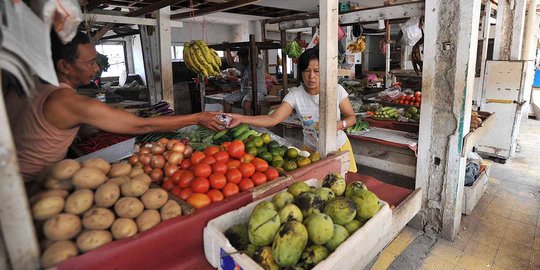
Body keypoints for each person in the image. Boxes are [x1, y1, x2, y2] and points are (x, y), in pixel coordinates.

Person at [6, 31, 224, 183]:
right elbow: (142, 126)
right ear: (64, 66)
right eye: (90, 62)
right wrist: (197, 117)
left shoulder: (25, 83)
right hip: (32, 186)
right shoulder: (67, 101)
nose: (96, 69)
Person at [228, 47, 358, 172]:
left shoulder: (336, 90)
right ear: (301, 72)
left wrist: (339, 124)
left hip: (338, 147)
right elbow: (273, 119)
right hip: (310, 151)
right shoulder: (295, 95)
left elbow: (351, 117)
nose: (311, 76)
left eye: (317, 71)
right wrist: (241, 118)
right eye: (307, 71)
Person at [222, 47, 267, 115]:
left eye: (241, 58)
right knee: (226, 100)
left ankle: (247, 124)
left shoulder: (258, 61)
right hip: (243, 92)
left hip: (258, 92)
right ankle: (227, 121)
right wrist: (227, 49)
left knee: (246, 103)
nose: (240, 60)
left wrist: (252, 47)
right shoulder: (243, 65)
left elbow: (254, 61)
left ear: (247, 57)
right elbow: (231, 64)